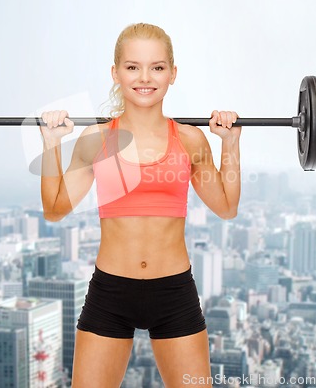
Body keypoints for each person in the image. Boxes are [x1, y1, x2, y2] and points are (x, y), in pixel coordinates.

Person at [40, 23, 241, 387]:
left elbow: (226, 206)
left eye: (157, 67)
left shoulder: (191, 140)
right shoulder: (96, 139)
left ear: (172, 74)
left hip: (174, 292)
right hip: (110, 293)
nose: (145, 77)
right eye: (132, 67)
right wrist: (52, 142)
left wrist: (229, 142)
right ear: (115, 73)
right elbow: (55, 209)